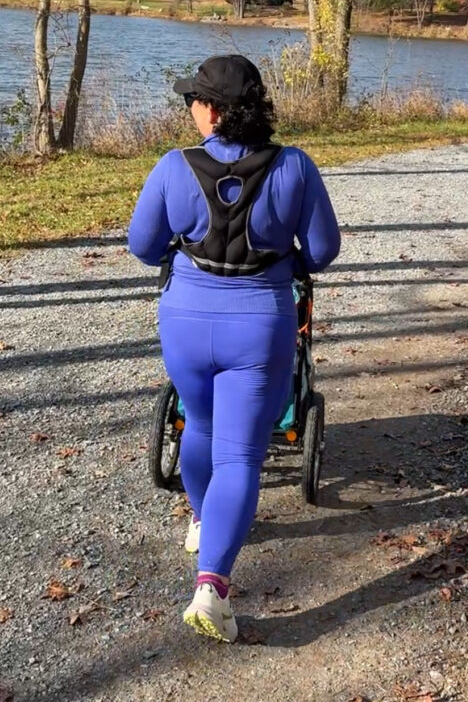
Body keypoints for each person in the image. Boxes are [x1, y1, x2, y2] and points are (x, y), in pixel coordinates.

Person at [127, 54, 341, 643]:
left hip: (186, 321)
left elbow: (143, 246)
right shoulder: (295, 166)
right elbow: (322, 251)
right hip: (260, 322)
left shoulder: (173, 166)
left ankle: (204, 520)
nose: (189, 109)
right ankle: (212, 587)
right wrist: (284, 261)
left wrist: (183, 255)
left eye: (193, 100)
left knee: (198, 424)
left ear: (213, 110)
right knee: (241, 455)